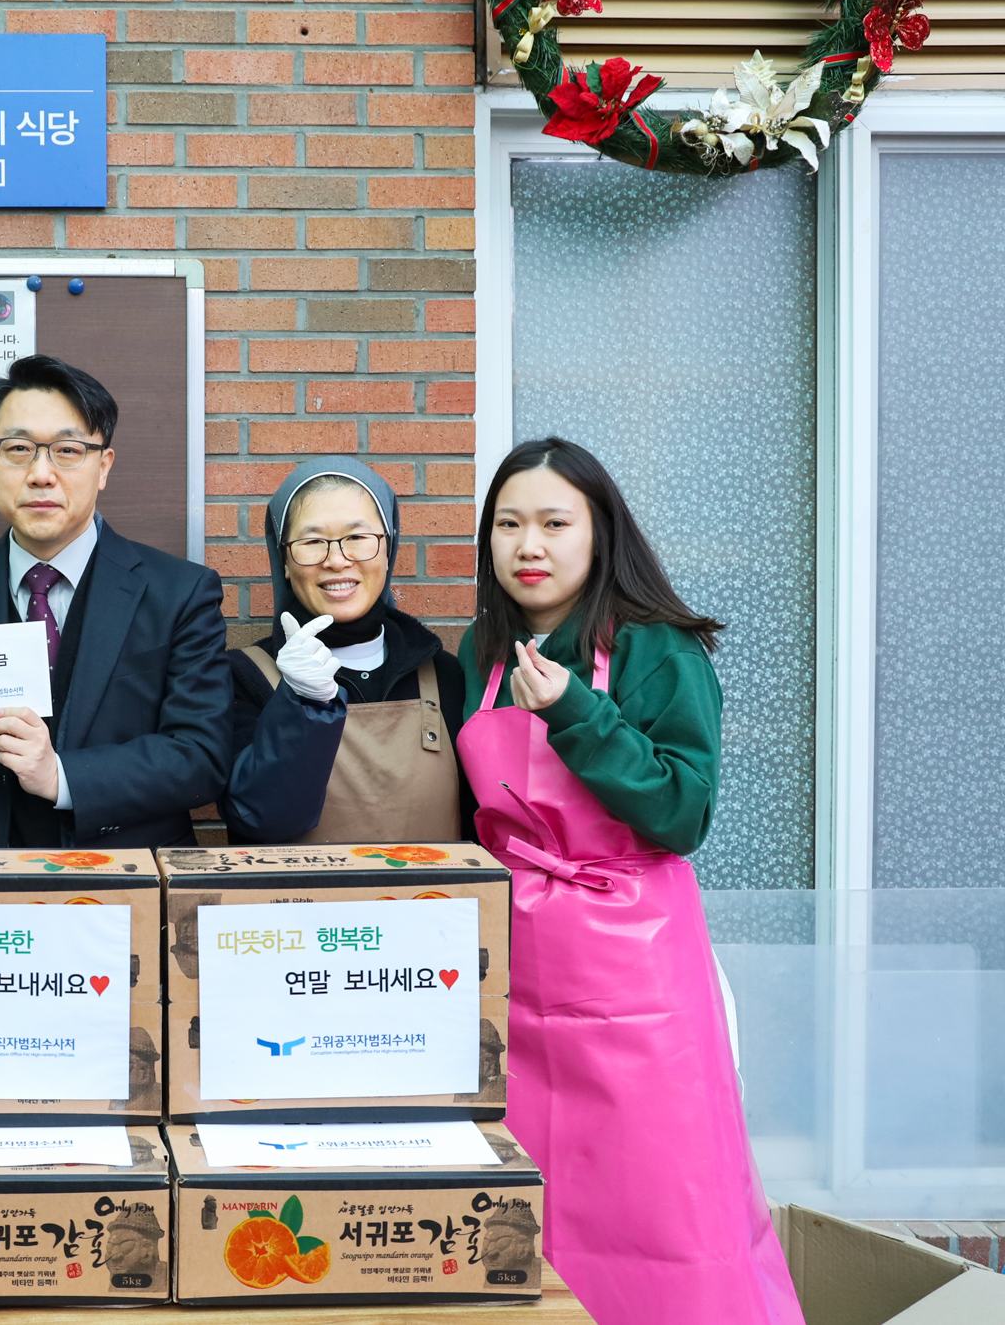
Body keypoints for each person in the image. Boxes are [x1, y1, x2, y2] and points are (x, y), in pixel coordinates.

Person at [458, 438, 799, 1325]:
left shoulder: (658, 648)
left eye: (554, 523)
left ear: (599, 533)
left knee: (661, 1195)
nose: (528, 544)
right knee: (528, 1197)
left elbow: (683, 811)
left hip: (635, 968)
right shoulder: (484, 649)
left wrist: (576, 711)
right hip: (517, 972)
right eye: (508, 524)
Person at [0, 354, 232, 847]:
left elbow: (202, 756)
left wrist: (62, 776)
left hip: (125, 888)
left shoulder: (179, 593)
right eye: (19, 448)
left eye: (67, 450)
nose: (41, 474)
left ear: (103, 466)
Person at [220, 458, 474, 843]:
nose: (337, 560)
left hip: (432, 902)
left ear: (388, 548)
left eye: (357, 538)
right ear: (284, 561)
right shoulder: (244, 676)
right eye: (312, 542)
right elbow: (262, 819)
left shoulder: (444, 676)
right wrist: (301, 704)